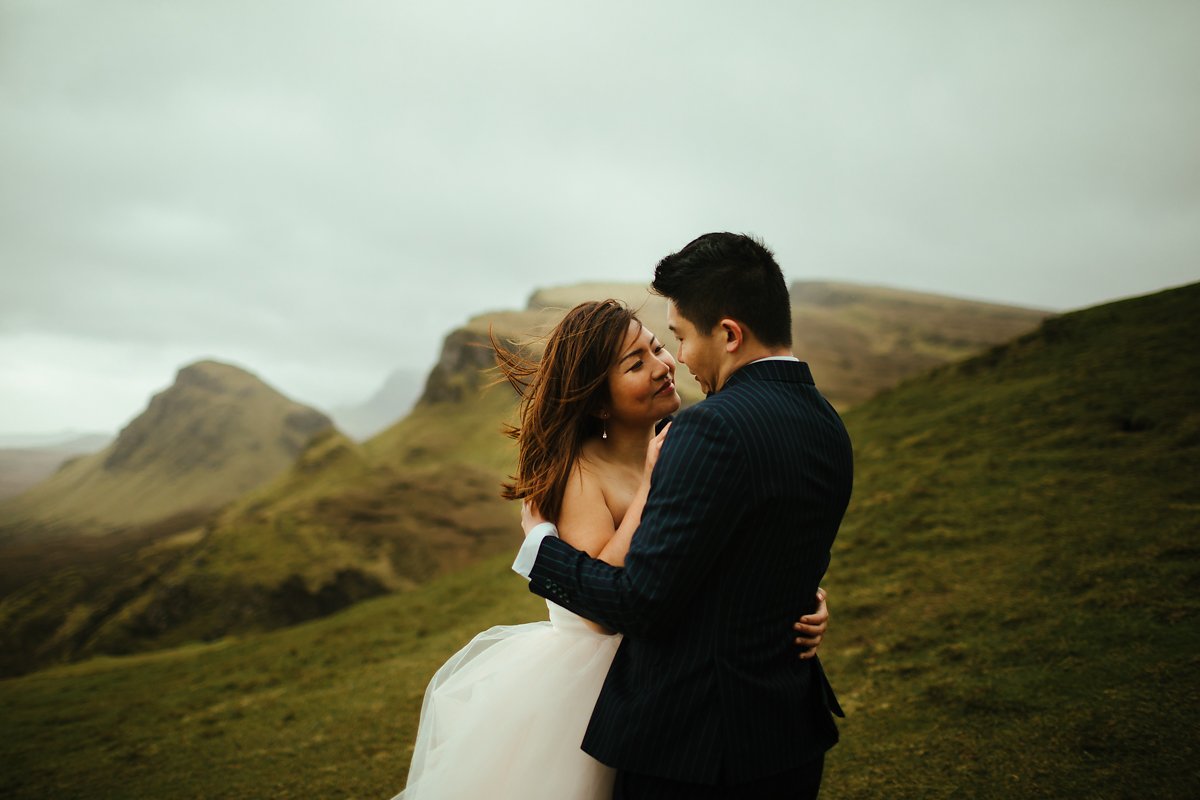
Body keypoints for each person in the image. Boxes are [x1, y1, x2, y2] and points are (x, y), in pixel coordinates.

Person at [392, 297, 831, 799]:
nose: (664, 368)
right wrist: (648, 486)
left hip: (673, 673)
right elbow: (601, 600)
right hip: (595, 688)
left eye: (658, 348)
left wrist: (802, 596)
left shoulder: (682, 445)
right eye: (635, 363)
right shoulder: (585, 472)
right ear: (600, 401)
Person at [514, 233, 853, 799]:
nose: (678, 360)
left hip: (696, 747)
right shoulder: (826, 422)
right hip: (788, 735)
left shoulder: (707, 427)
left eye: (677, 339)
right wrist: (802, 597)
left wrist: (539, 551)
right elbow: (759, 544)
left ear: (728, 334)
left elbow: (639, 601)